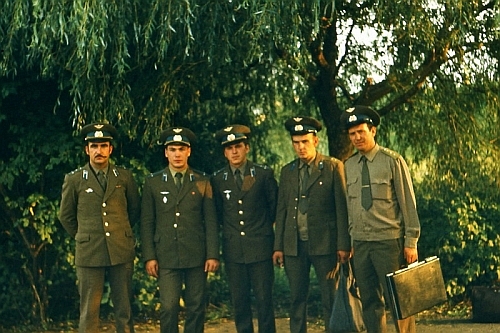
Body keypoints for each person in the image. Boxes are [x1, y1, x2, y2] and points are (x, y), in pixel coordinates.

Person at [341, 105, 421, 333]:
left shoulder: (391, 161)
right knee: (370, 302)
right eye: (352, 133)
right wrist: (352, 238)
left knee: (399, 302)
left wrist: (411, 241)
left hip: (389, 242)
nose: (356, 137)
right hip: (362, 244)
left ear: (373, 130)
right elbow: (350, 206)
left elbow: (408, 203)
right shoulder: (349, 166)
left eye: (361, 132)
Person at [59, 122, 140, 333]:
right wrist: (83, 236)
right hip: (89, 250)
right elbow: (65, 216)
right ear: (87, 150)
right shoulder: (74, 179)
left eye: (103, 146)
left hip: (120, 248)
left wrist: (120, 233)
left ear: (110, 149)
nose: (99, 151)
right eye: (94, 146)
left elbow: (134, 210)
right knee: (89, 310)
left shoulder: (124, 177)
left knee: (124, 308)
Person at [272, 116, 351, 333]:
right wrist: (278, 246)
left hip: (325, 244)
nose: (300, 147)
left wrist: (344, 244)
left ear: (315, 141)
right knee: (297, 298)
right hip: (294, 246)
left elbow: (342, 209)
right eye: (296, 142)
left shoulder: (333, 167)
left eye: (305, 141)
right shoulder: (287, 172)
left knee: (331, 297)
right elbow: (282, 211)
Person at [140, 127, 220, 333]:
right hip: (166, 254)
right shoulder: (153, 182)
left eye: (181, 149)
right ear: (166, 152)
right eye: (173, 149)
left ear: (189, 152)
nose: (177, 154)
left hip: (196, 254)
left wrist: (212, 254)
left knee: (196, 306)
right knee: (168, 307)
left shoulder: (202, 181)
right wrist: (149, 256)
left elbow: (210, 221)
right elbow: (147, 222)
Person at [211, 124, 278, 333]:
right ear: (224, 152)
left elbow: (274, 208)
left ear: (246, 148)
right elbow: (219, 214)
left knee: (264, 300)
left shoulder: (262, 174)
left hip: (260, 248)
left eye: (238, 146)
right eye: (229, 148)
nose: (234, 151)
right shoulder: (218, 179)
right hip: (234, 251)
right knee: (239, 302)